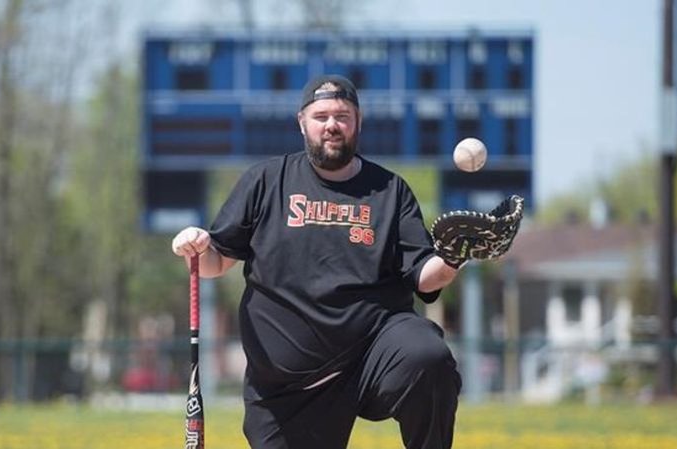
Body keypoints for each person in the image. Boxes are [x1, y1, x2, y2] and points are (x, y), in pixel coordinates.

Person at [171, 74, 463, 449]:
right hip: (288, 387)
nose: (331, 125)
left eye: (342, 116)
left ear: (358, 122)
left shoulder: (391, 191)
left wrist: (455, 255)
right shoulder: (266, 181)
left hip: (371, 356)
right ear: (302, 122)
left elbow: (424, 277)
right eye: (321, 116)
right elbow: (216, 261)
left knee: (427, 356)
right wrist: (195, 247)